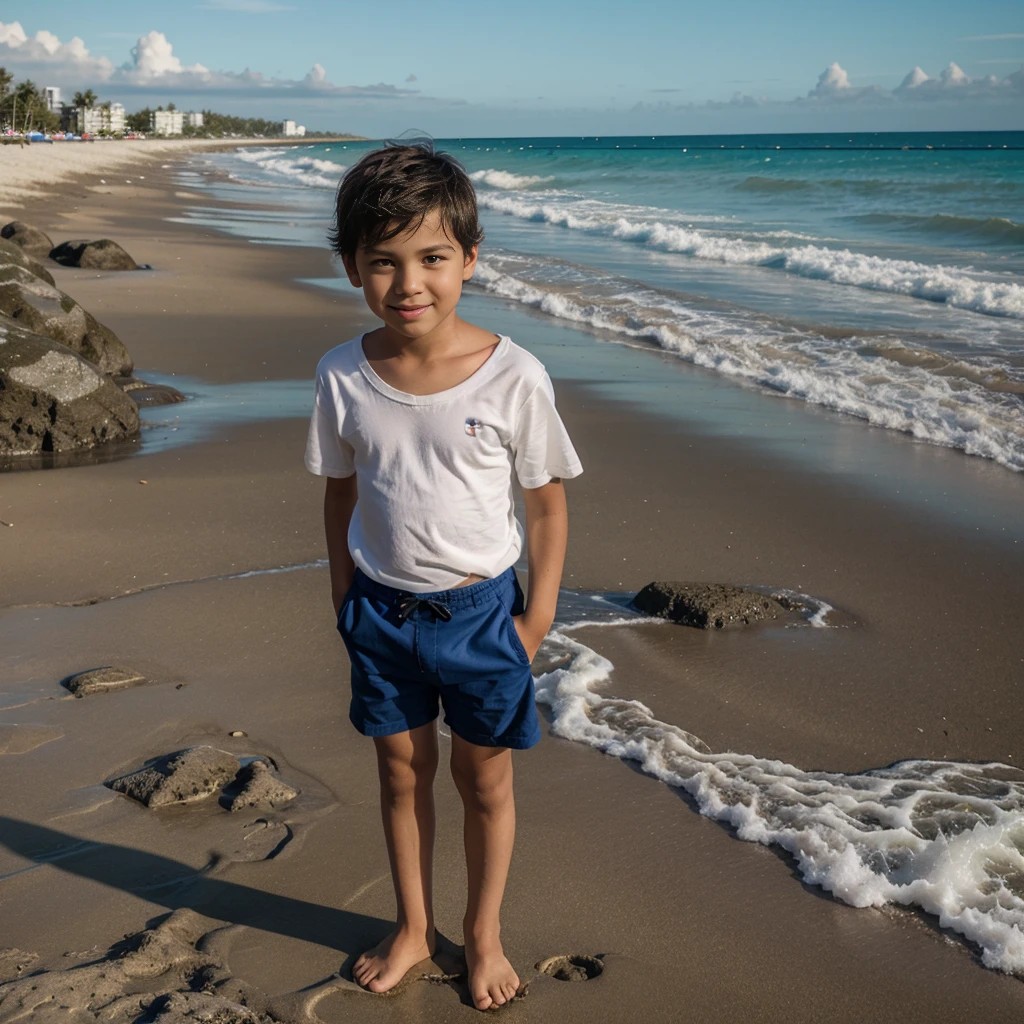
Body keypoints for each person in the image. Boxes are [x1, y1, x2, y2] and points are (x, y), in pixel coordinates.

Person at [305, 142, 583, 1011]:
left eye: (430, 257)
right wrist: (346, 596)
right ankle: (416, 928)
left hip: (484, 615)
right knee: (399, 773)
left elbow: (546, 508)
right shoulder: (344, 374)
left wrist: (533, 624)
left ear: (471, 256)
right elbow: (342, 491)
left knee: (484, 778)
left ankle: (485, 934)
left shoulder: (513, 376)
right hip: (381, 610)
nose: (407, 283)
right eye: (382, 261)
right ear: (352, 265)